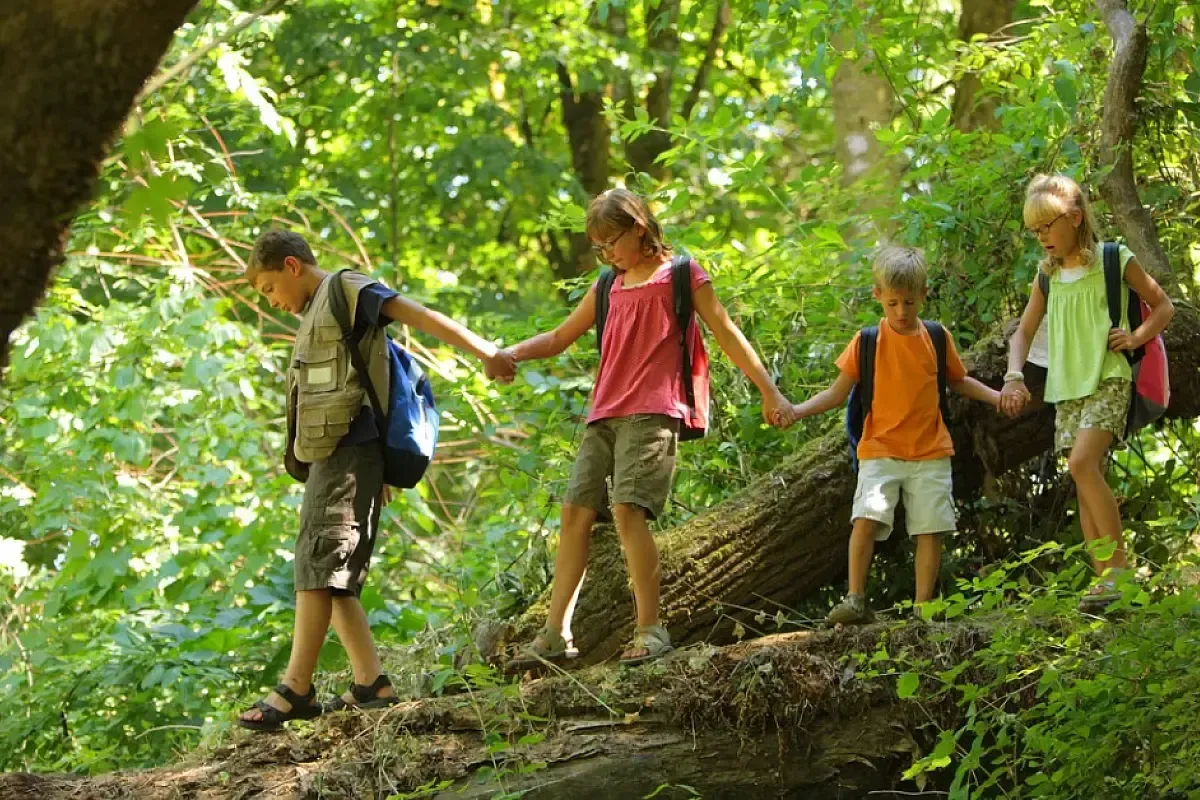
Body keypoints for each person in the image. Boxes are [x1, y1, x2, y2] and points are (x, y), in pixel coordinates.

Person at [237, 230, 515, 731]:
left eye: (269, 289)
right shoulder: (315, 314)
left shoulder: (347, 291)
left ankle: (296, 688)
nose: (273, 302)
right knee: (328, 568)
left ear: (293, 266)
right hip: (333, 456)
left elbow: (419, 316)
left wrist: (486, 351)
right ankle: (372, 684)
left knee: (320, 564)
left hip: (350, 451)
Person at [504, 188, 792, 664]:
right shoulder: (607, 285)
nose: (607, 253)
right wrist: (510, 353)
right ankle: (555, 633)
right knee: (574, 514)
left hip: (654, 409)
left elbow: (726, 332)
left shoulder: (681, 275)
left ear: (640, 226)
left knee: (627, 510)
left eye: (611, 240)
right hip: (604, 413)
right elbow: (558, 337)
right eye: (598, 247)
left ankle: (650, 629)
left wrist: (770, 391)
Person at [780, 246, 1001, 625]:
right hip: (879, 450)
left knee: (930, 528)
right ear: (877, 295)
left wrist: (998, 397)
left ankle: (923, 608)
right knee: (865, 518)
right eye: (893, 302)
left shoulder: (935, 336)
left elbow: (959, 380)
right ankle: (855, 599)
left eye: (910, 302)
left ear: (924, 295)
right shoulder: (867, 342)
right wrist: (796, 410)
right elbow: (836, 394)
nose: (901, 312)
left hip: (930, 450)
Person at [999, 175, 1174, 613]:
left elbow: (1163, 305)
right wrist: (1014, 374)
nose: (1042, 238)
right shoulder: (1047, 277)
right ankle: (1104, 583)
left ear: (1075, 218)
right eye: (1035, 231)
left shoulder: (1113, 260)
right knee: (1082, 474)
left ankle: (1120, 573)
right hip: (1068, 388)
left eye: (1047, 227)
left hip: (1109, 377)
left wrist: (1135, 338)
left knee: (1081, 462)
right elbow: (1022, 334)